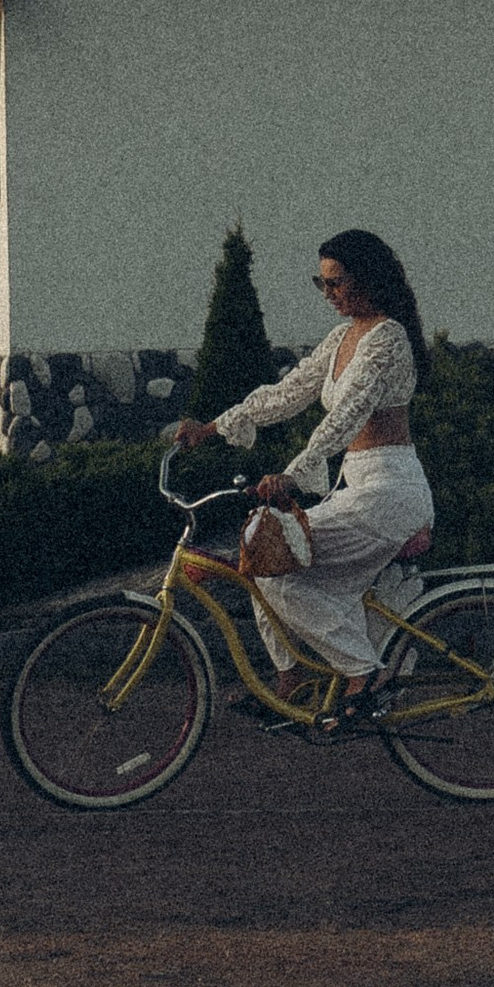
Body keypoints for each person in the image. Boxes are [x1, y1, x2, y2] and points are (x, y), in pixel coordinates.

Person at [172, 228, 432, 719]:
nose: (328, 293)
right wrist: (212, 427)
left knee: (273, 566)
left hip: (389, 492)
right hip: (356, 487)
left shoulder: (388, 338)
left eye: (336, 283)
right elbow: (287, 392)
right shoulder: (342, 338)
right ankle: (292, 677)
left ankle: (364, 673)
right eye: (322, 283)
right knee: (264, 547)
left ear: (367, 279)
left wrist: (296, 472)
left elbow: (349, 414)